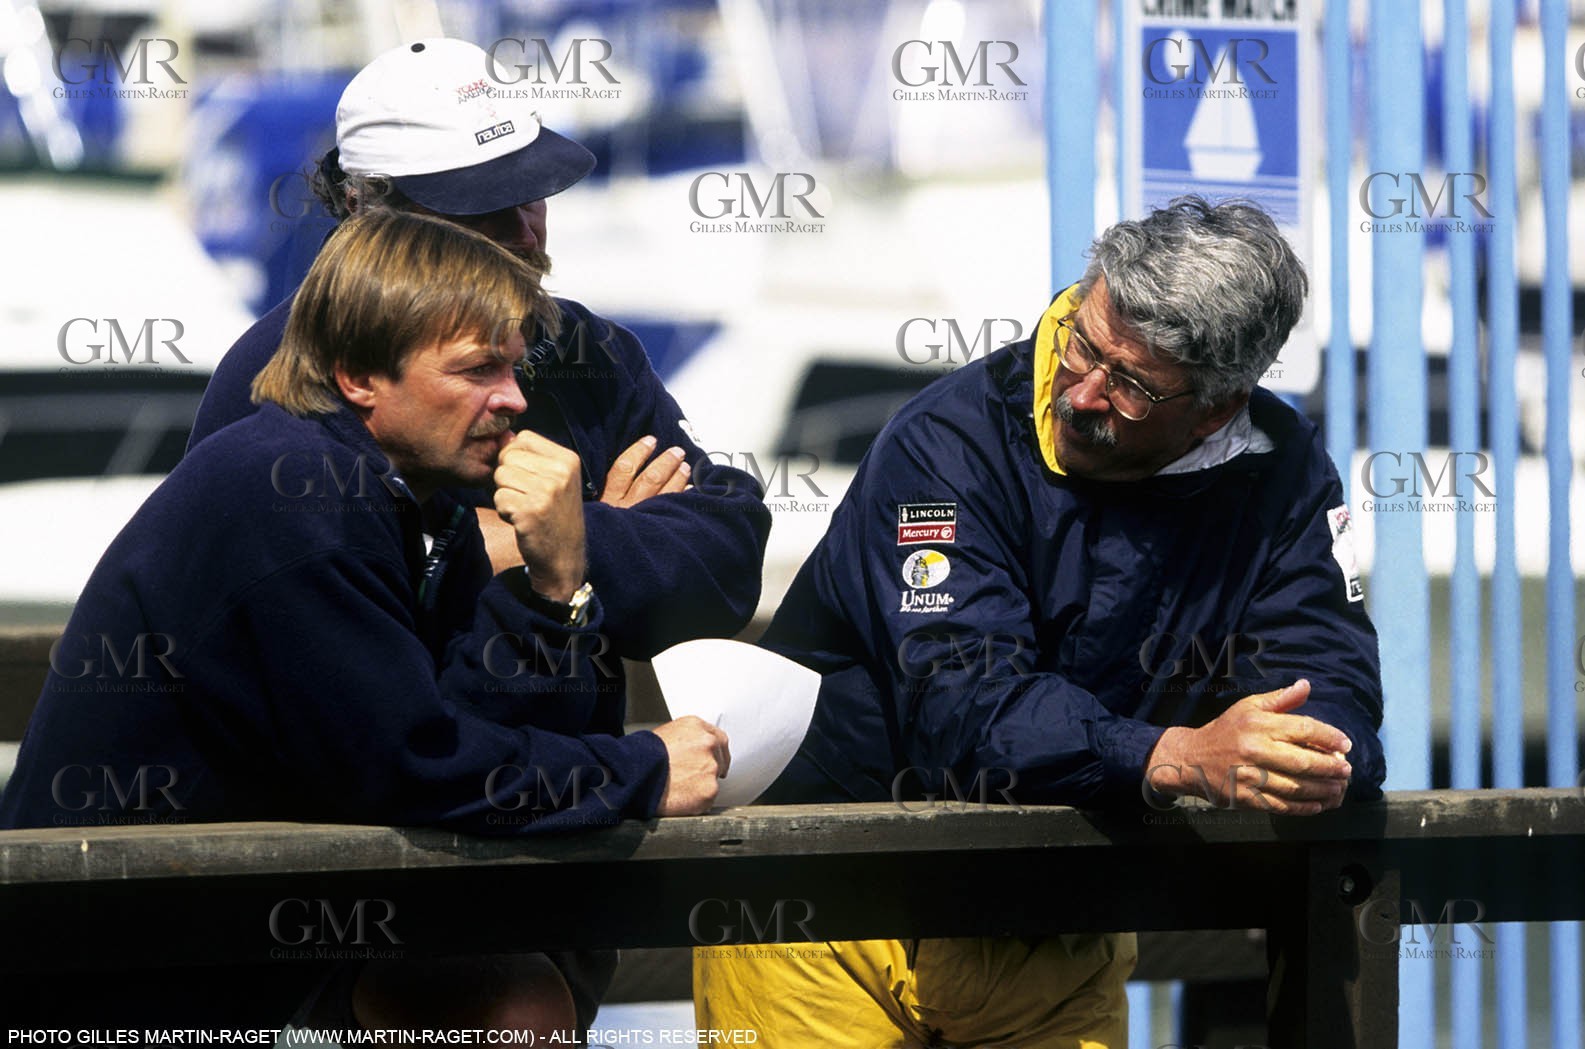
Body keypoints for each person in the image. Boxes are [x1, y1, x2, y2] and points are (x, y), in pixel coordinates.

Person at [0, 210, 731, 1035]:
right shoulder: (295, 496)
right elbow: (411, 763)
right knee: (512, 1007)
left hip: (257, 925)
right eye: (478, 369)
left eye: (515, 367)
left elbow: (474, 716)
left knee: (513, 1000)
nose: (516, 400)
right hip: (104, 966)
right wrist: (641, 769)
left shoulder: (403, 493)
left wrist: (556, 580)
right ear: (357, 376)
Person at [694, 197, 1386, 1047]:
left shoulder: (1279, 471)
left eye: (1131, 384)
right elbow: (965, 707)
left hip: (1057, 926)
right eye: (1082, 340)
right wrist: (1175, 756)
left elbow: (1328, 670)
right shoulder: (944, 445)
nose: (1082, 389)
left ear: (1215, 409)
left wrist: (1308, 754)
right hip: (820, 913)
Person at [187, 37, 769, 662]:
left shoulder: (588, 351)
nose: (524, 231)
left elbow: (726, 567)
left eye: (532, 192)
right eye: (483, 205)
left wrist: (553, 542)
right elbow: (335, 650)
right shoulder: (282, 375)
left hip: (562, 758)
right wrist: (584, 545)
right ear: (365, 210)